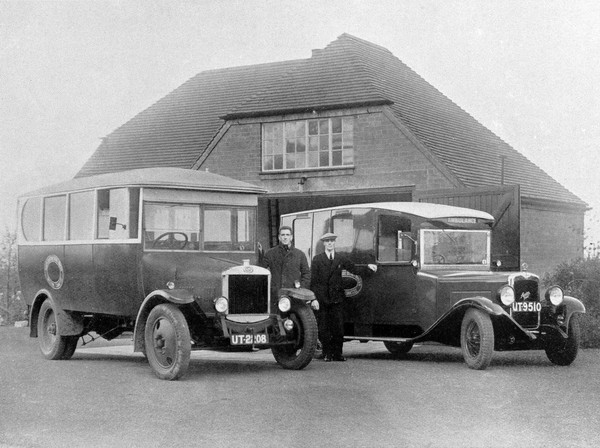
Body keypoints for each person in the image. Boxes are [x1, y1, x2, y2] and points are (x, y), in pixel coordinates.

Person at [310, 232, 377, 362]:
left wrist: (368, 268)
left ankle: (338, 354)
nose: (330, 243)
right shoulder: (317, 259)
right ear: (324, 243)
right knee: (324, 328)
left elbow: (354, 269)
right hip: (323, 300)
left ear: (335, 243)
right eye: (327, 241)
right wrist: (314, 299)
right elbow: (314, 281)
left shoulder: (340, 258)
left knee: (338, 328)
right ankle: (327, 353)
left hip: (337, 299)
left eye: (332, 241)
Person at [261, 226, 311, 299]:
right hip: (276, 294)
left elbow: (306, 274)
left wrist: (301, 288)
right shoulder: (270, 253)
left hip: (294, 295)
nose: (285, 237)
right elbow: (262, 271)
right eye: (283, 235)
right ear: (279, 237)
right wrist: (270, 288)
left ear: (291, 237)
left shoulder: (300, 254)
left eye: (287, 235)